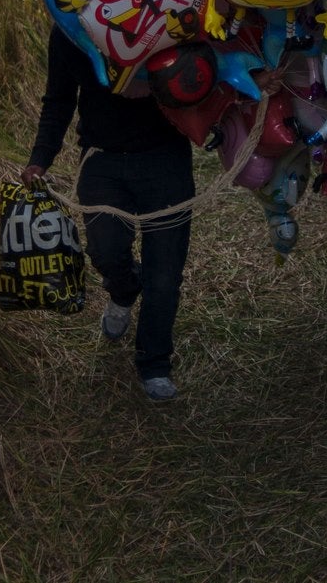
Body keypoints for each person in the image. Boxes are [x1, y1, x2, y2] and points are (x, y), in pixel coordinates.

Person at [21, 26, 195, 402]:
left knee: (163, 274)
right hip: (103, 160)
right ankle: (123, 288)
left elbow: (208, 74)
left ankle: (154, 365)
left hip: (165, 160)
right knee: (105, 249)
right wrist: (40, 159)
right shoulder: (69, 27)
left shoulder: (171, 12)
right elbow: (59, 99)